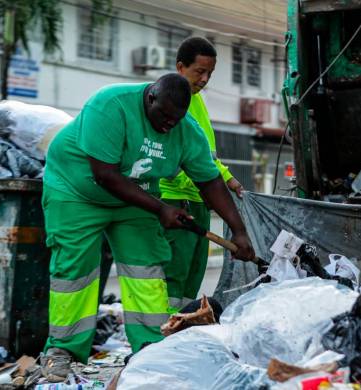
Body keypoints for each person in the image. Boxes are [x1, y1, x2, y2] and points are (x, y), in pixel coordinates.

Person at [39, 73, 255, 382]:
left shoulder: (186, 131)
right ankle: (63, 350)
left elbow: (210, 182)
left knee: (146, 268)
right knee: (76, 270)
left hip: (134, 196)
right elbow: (105, 175)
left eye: (176, 119)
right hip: (76, 190)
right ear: (150, 97)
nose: (169, 125)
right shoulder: (110, 105)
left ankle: (152, 346)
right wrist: (161, 209)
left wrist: (239, 230)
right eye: (164, 116)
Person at [159, 37, 242, 311]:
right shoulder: (168, 99)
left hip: (198, 201)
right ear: (180, 67)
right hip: (175, 201)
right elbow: (172, 154)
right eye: (200, 72)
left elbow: (204, 156)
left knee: (193, 276)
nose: (205, 79)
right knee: (174, 276)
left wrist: (227, 179)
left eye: (210, 74)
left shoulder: (198, 102)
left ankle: (182, 327)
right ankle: (164, 333)